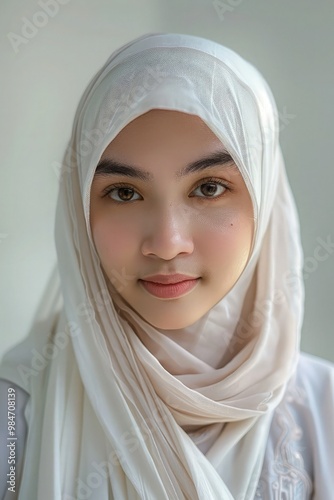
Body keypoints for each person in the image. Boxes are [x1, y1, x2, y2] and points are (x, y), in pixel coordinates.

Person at [0, 32, 333, 500]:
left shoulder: (325, 413)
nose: (167, 244)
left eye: (210, 188)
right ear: (79, 213)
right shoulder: (16, 411)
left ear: (265, 195)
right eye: (124, 192)